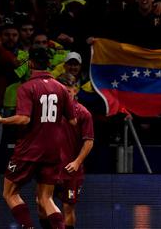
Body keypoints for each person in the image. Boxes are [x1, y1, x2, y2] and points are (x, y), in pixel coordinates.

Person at [0, 46, 75, 229]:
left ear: (30, 63)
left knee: (9, 193)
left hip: (29, 149)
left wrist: (1, 119)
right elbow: (72, 121)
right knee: (46, 197)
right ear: (49, 64)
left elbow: (23, 119)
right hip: (53, 150)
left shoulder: (26, 87)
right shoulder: (61, 88)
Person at [54, 73, 94, 229]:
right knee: (42, 203)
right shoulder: (51, 111)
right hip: (51, 168)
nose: (65, 95)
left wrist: (77, 162)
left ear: (75, 90)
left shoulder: (83, 113)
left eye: (68, 91)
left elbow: (89, 142)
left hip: (71, 171)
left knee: (67, 207)